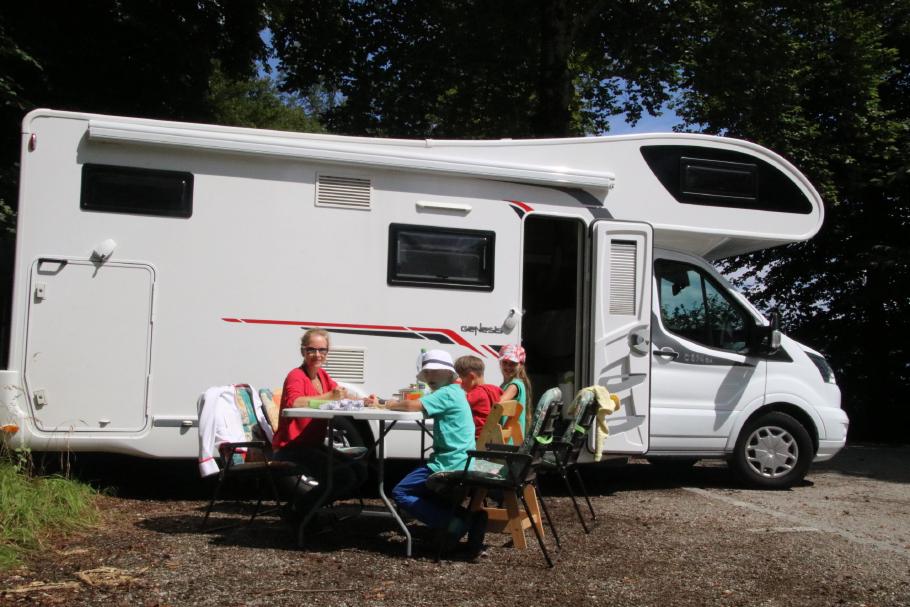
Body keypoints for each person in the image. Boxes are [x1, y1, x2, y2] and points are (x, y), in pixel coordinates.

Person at [387, 349, 487, 555]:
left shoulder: (446, 393)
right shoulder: (455, 392)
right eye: (428, 373)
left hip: (450, 461)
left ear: (449, 373)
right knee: (429, 493)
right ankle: (468, 518)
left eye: (436, 372)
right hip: (461, 457)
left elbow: (412, 405)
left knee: (401, 492)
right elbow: (421, 407)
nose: (431, 377)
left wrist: (386, 403)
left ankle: (454, 523)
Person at [272, 329, 372, 520]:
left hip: (312, 445)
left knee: (359, 471)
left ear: (327, 352)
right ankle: (298, 513)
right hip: (292, 447)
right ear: (303, 351)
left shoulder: (322, 376)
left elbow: (340, 393)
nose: (317, 355)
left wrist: (365, 400)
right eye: (311, 350)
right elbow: (295, 402)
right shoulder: (296, 375)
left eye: (322, 350)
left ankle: (308, 509)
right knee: (345, 476)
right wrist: (328, 397)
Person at [454, 355, 503, 439]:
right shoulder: (495, 389)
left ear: (471, 377)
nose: (460, 383)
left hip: (477, 438)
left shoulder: (477, 393)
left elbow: (456, 405)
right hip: (492, 436)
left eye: (461, 379)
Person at [498, 344, 533, 435]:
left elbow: (497, 404)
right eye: (505, 363)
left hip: (509, 439)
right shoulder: (506, 384)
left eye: (513, 364)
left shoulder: (515, 385)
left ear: (520, 365)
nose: (508, 367)